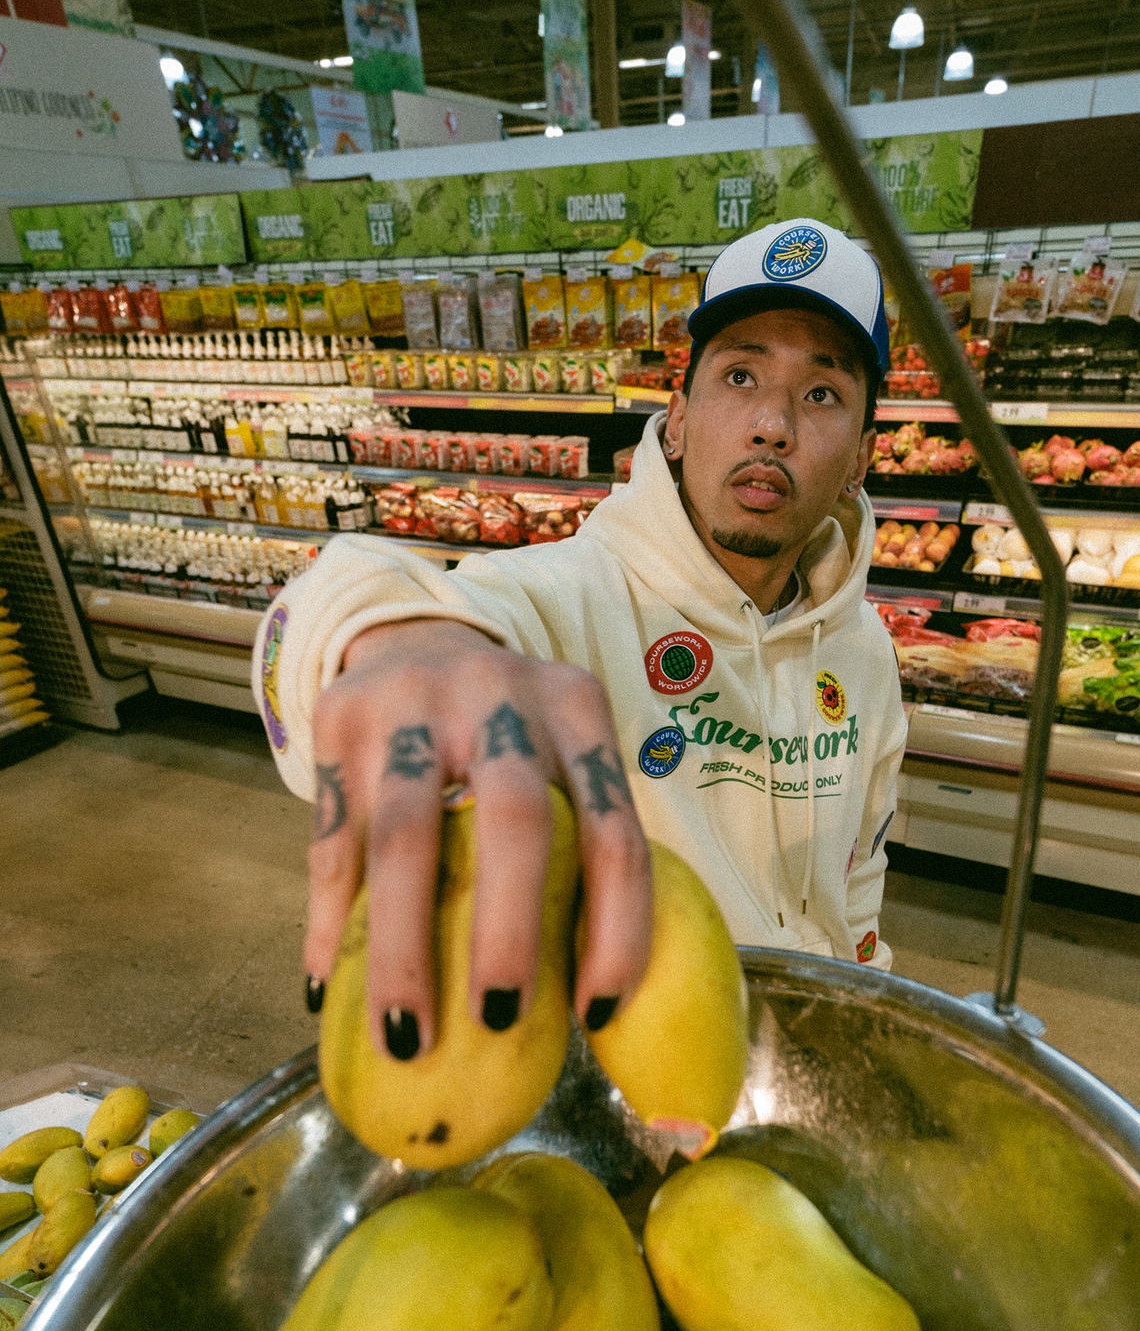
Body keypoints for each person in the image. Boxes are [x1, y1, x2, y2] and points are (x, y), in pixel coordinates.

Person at [253, 217, 907, 1063]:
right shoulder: (556, 602)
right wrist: (393, 638)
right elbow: (308, 625)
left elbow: (858, 880)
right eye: (740, 375)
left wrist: (869, 1014)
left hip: (808, 1057)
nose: (771, 424)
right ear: (675, 421)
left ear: (860, 458)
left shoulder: (863, 652)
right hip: (625, 1069)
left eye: (821, 393)